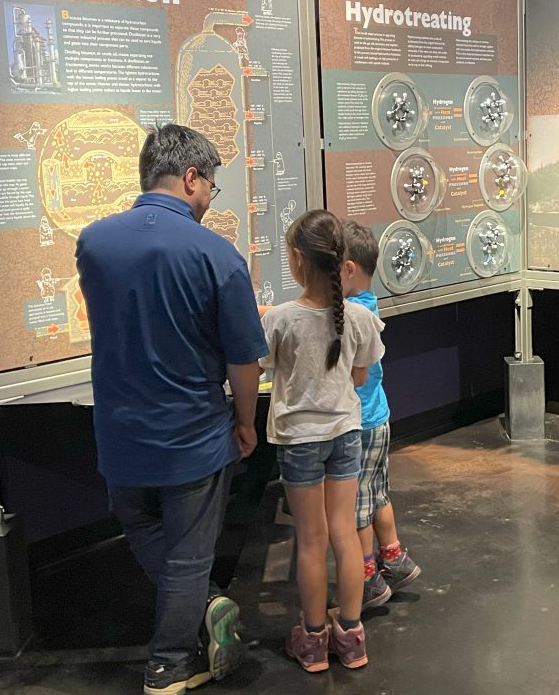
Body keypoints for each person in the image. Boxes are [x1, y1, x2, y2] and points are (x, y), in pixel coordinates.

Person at [75, 124, 267, 695]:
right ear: (190, 178)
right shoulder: (219, 256)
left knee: (137, 524)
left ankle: (202, 605)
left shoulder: (93, 241)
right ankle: (169, 665)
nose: (210, 198)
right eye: (211, 184)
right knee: (188, 558)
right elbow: (243, 362)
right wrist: (246, 422)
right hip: (194, 436)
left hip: (119, 433)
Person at [259, 209, 385, 673]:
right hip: (346, 434)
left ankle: (312, 642)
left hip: (298, 442)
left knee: (310, 541)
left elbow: (262, 367)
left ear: (296, 260)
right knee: (345, 536)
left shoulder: (280, 319)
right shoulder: (358, 317)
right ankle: (351, 637)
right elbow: (361, 374)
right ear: (341, 261)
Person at [340, 220, 421, 609]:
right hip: (380, 419)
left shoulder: (347, 315)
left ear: (348, 270)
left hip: (358, 426)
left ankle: (368, 576)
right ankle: (395, 557)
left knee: (356, 508)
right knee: (377, 495)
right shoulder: (367, 305)